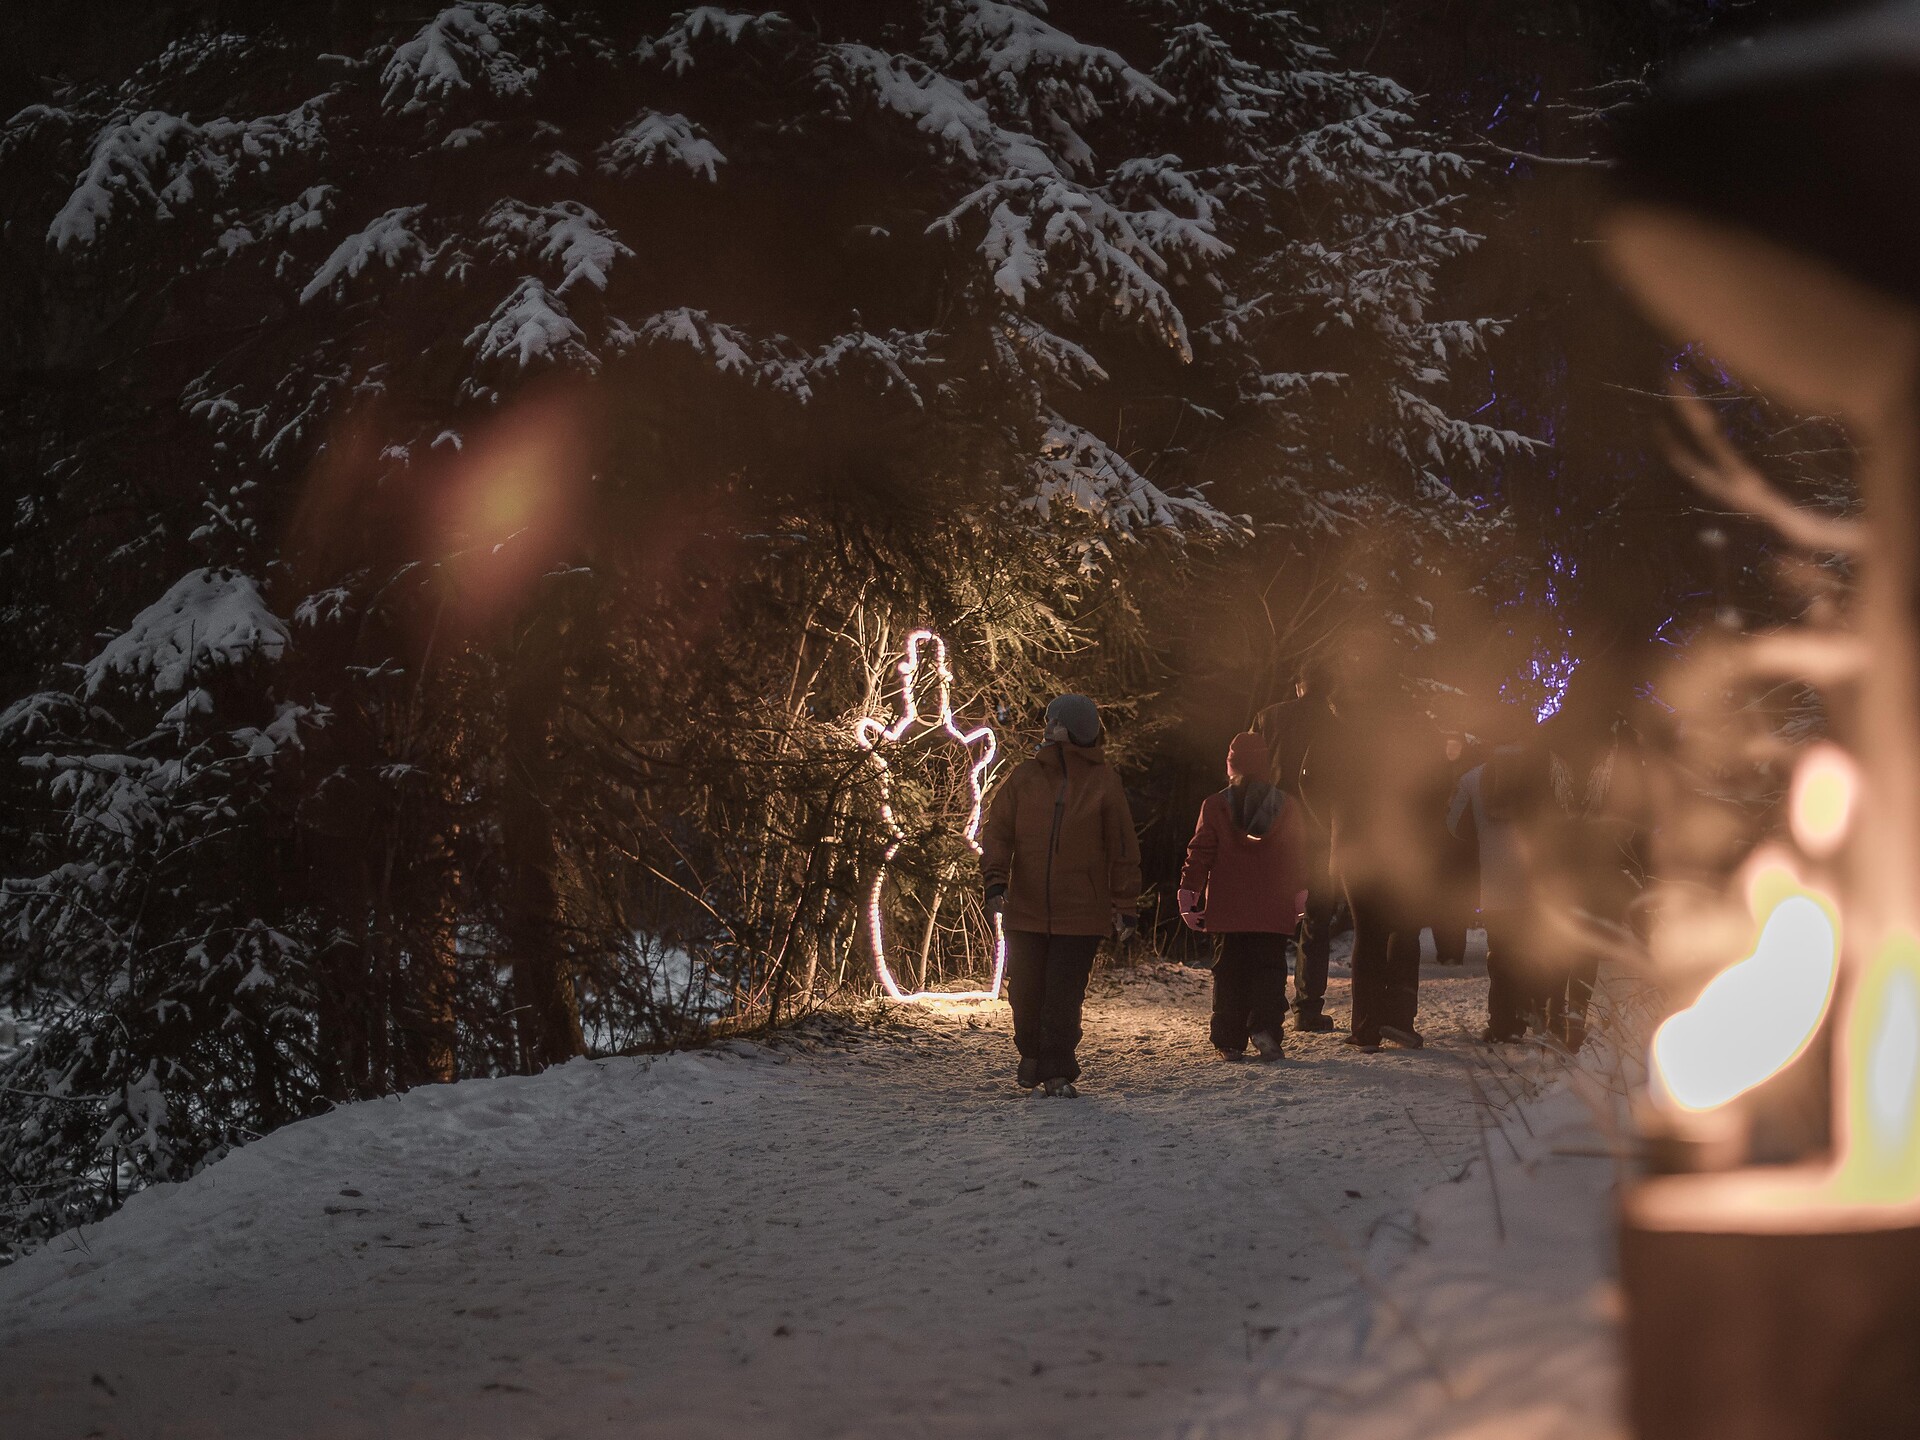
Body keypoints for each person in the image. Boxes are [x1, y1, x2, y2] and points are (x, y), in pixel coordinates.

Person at [982, 693, 1141, 1097]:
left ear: (1059, 728)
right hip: (1027, 909)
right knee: (1025, 992)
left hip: (1081, 914)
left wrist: (1125, 904)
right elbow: (998, 831)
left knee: (1062, 994)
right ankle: (1031, 1056)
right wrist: (996, 880)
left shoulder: (1103, 781)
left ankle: (1057, 1068)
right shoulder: (1025, 778)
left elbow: (1122, 847)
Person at [1306, 662, 1444, 1052]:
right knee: (1405, 929)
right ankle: (1399, 1019)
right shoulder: (1416, 729)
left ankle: (1366, 1028)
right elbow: (1439, 783)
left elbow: (1307, 778)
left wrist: (1332, 822)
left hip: (1354, 845)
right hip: (1406, 847)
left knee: (1368, 933)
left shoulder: (1338, 733)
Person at [1178, 732, 1311, 1060]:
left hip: (1229, 908)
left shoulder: (1215, 805)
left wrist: (1189, 891)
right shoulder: (1288, 806)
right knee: (1269, 970)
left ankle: (1229, 1041)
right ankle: (1264, 1027)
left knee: (1229, 973)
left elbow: (1201, 853)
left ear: (1231, 765)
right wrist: (1300, 894)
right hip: (1272, 906)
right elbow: (1297, 856)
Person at [1448, 709, 1554, 1042]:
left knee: (1501, 954)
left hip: (1493, 881)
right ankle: (1538, 1014)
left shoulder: (1471, 778)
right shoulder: (1543, 775)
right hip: (1535, 881)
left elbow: (1453, 826)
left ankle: (1503, 1024)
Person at [1253, 666, 1339, 1032]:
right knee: (1316, 920)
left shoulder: (1268, 717)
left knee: (1269, 920)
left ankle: (1265, 1005)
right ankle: (1307, 1007)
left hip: (1272, 828)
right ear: (1329, 687)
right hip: (1319, 833)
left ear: (1298, 685)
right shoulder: (1337, 724)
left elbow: (1246, 768)